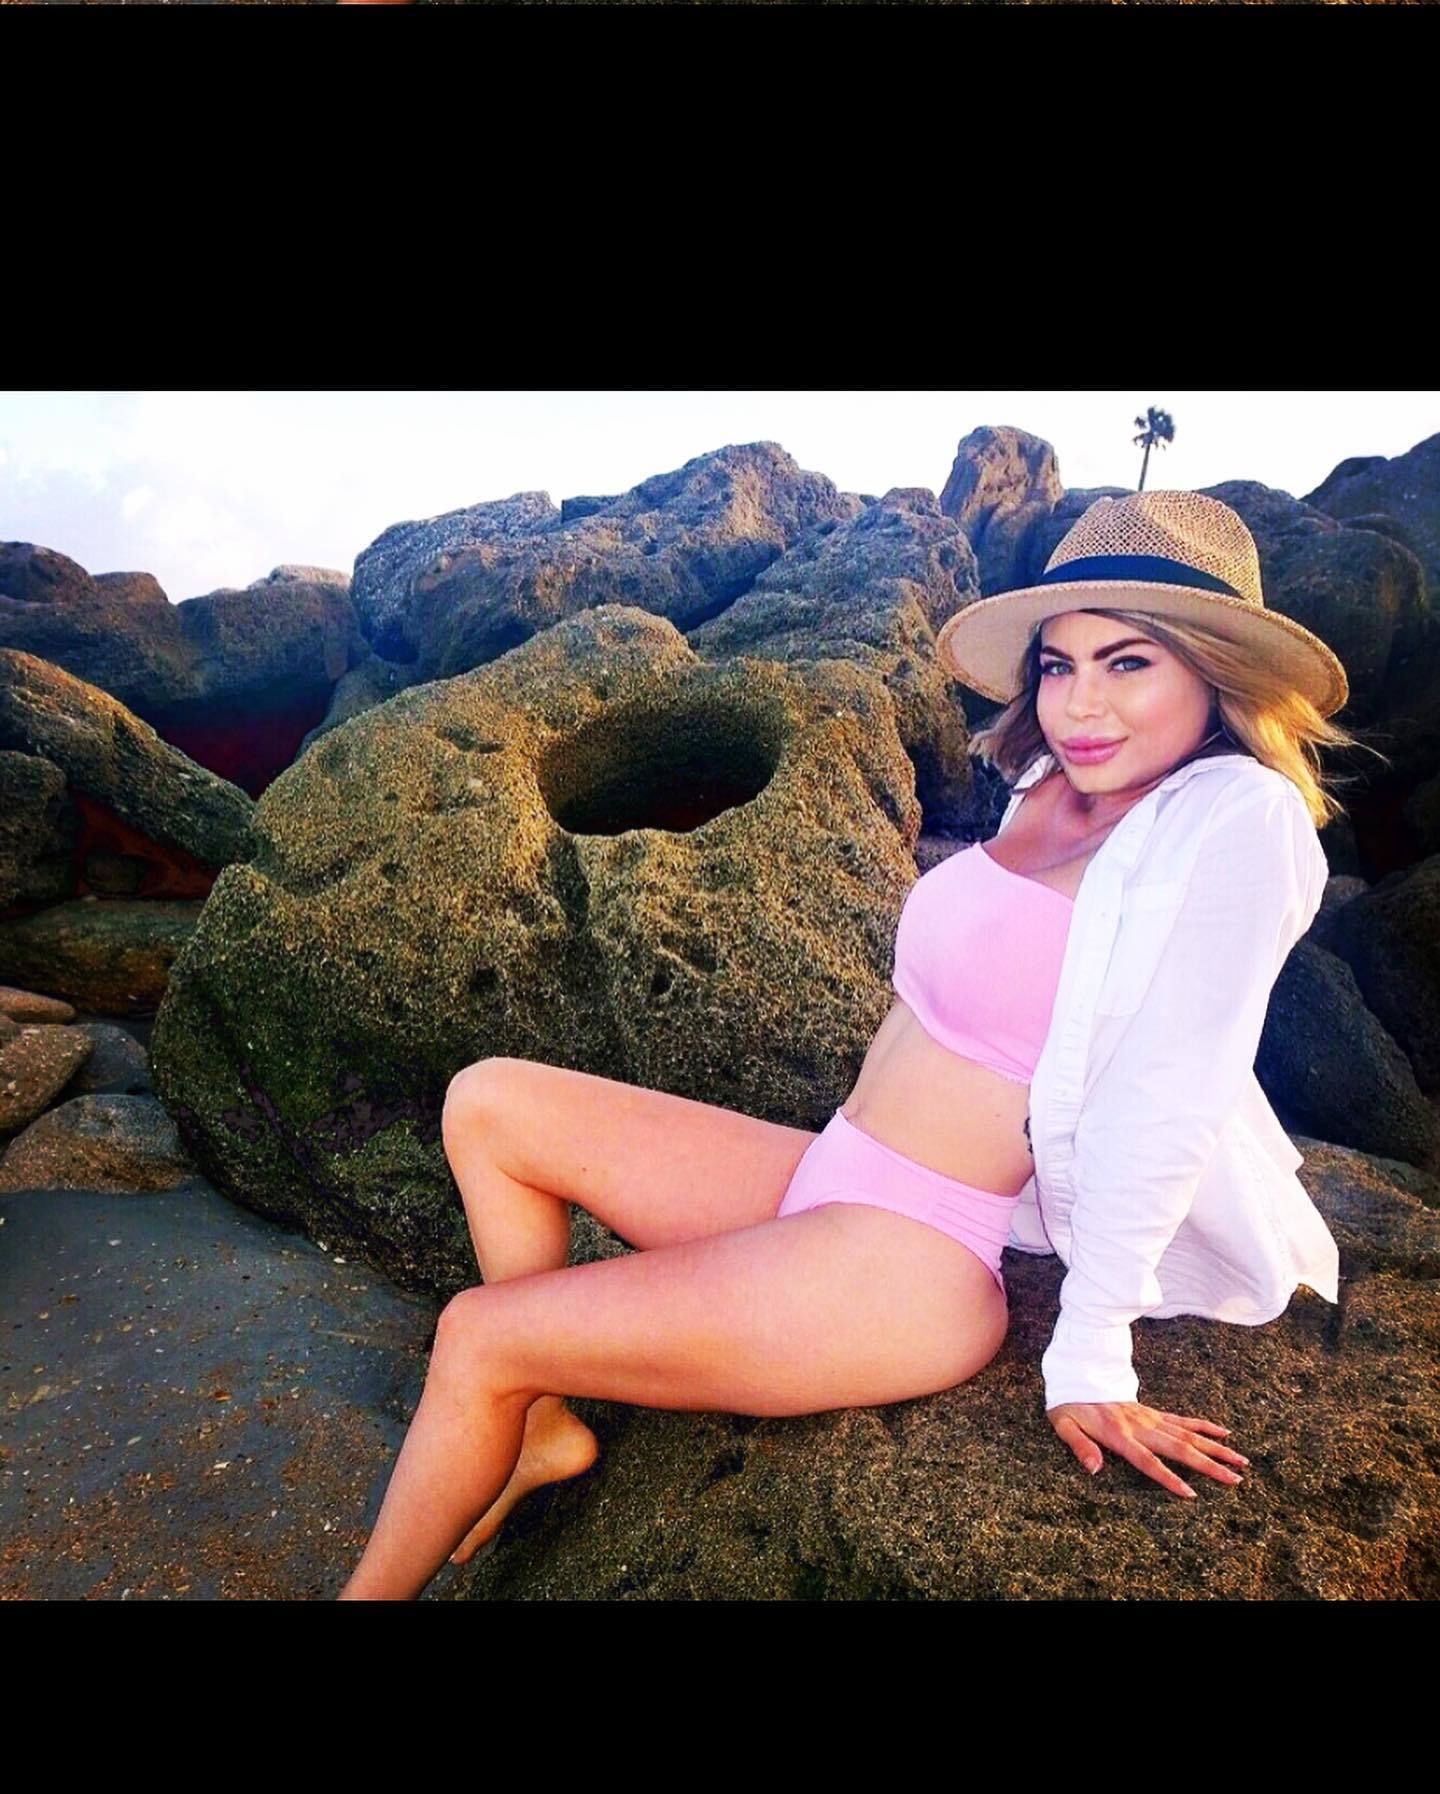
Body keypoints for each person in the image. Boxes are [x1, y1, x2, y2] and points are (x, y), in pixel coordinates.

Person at [336, 488, 1362, 1600]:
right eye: (1059, 665)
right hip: (833, 1167)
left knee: (479, 1334)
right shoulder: (1045, 784)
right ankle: (538, 1426)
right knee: (490, 1100)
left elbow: (1176, 1087)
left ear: (1215, 672)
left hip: (915, 1256)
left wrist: (1092, 1350)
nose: (1080, 704)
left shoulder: (1235, 819)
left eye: (1129, 664)